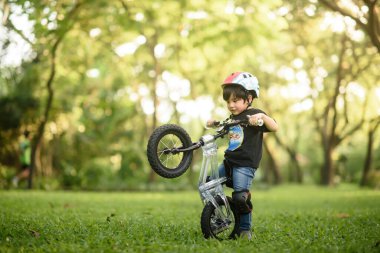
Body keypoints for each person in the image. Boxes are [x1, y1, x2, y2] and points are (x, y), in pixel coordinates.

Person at [207, 72, 278, 240]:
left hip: (245, 165)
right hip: (229, 162)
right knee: (209, 184)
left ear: (249, 98)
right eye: (228, 101)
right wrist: (215, 123)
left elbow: (274, 126)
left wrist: (261, 117)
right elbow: (224, 127)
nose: (231, 105)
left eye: (235, 100)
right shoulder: (233, 118)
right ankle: (218, 217)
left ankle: (245, 230)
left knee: (240, 197)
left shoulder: (254, 114)